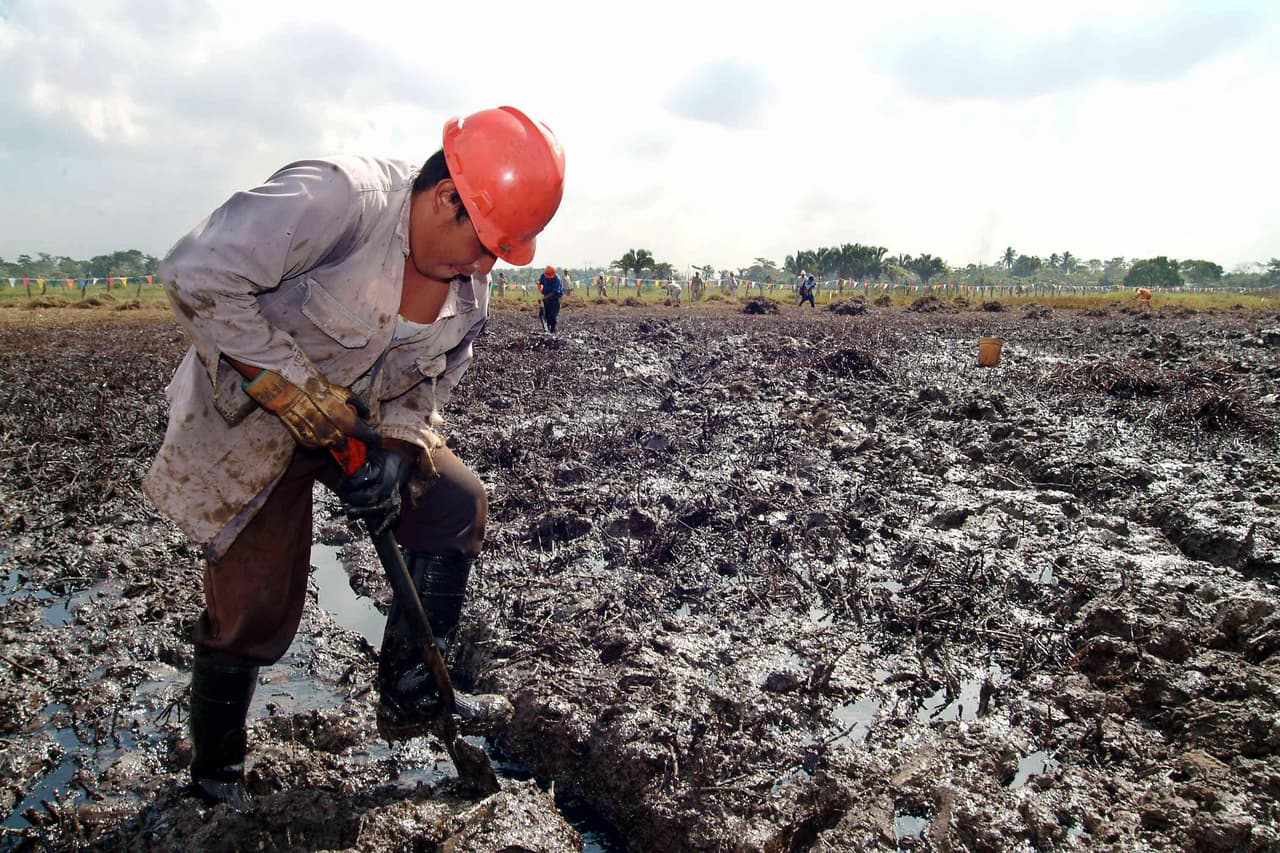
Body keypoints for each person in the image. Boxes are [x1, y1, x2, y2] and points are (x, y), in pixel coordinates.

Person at [142, 106, 566, 808]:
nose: (486, 265)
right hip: (254, 413)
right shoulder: (336, 199)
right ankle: (214, 770)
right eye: (484, 241)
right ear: (443, 198)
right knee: (253, 603)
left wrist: (398, 450)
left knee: (456, 502)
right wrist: (299, 392)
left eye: (499, 251)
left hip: (357, 425)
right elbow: (194, 272)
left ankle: (408, 689)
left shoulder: (469, 291)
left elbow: (428, 389)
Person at [537, 264, 563, 333]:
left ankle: (553, 329)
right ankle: (547, 329)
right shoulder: (544, 275)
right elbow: (540, 282)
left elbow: (553, 292)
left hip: (555, 299)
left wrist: (543, 298)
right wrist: (539, 284)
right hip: (546, 298)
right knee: (546, 314)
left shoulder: (557, 279)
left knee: (553, 315)